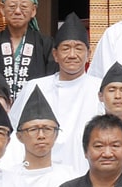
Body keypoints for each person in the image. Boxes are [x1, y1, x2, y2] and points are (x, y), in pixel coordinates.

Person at [8, 14, 103, 172]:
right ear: (55, 55)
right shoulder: (34, 86)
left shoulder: (101, 89)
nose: (72, 55)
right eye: (66, 48)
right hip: (38, 173)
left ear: (89, 54)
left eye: (78, 48)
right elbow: (12, 131)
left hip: (87, 173)